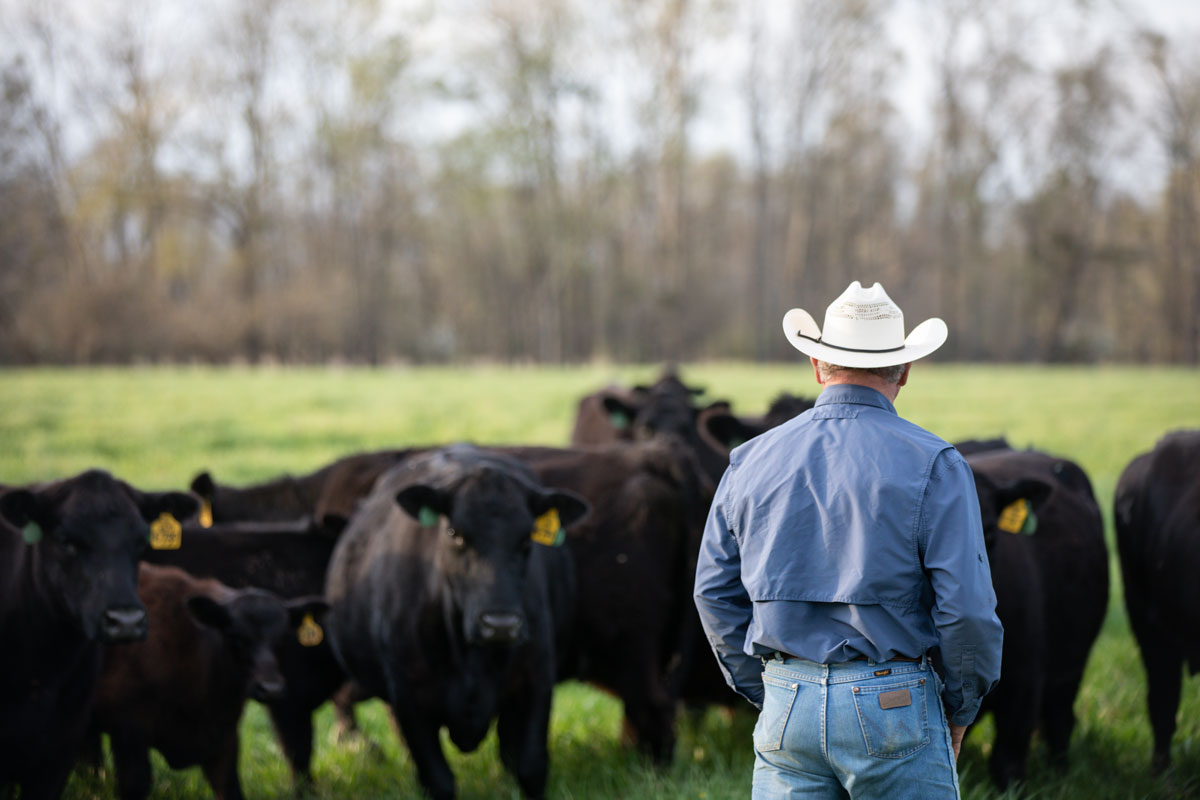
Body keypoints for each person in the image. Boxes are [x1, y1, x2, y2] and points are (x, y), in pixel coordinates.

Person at [694, 280, 1003, 799]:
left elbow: (713, 594)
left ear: (817, 366)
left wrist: (768, 687)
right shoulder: (937, 464)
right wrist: (958, 707)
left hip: (787, 697)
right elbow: (967, 610)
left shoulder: (748, 460)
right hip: (895, 702)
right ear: (905, 369)